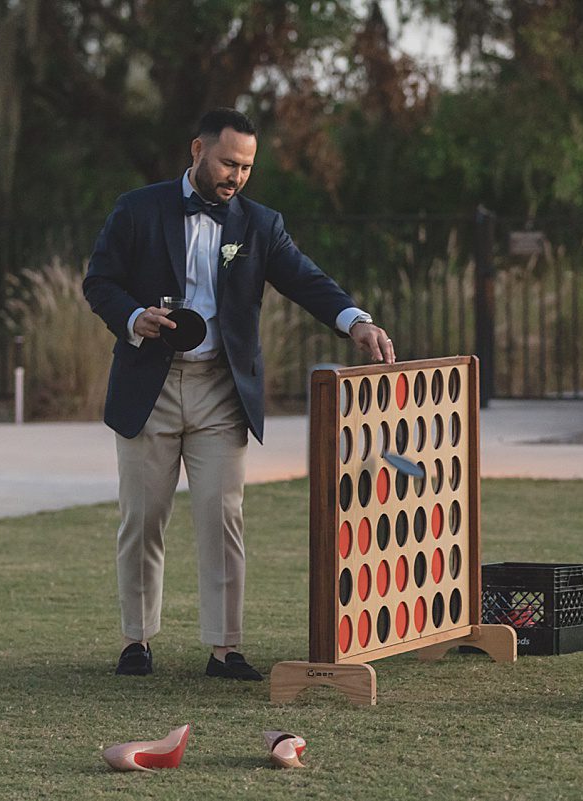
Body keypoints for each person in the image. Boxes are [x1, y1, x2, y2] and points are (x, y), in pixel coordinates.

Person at [83, 108, 394, 680]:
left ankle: (225, 650)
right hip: (148, 387)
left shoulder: (260, 223)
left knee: (222, 517)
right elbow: (98, 281)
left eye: (247, 167)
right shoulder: (137, 208)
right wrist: (132, 317)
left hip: (222, 390)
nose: (237, 176)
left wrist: (356, 321)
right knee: (143, 518)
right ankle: (137, 641)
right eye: (229, 162)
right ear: (197, 149)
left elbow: (305, 279)